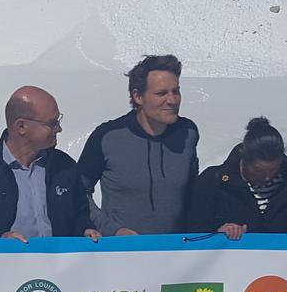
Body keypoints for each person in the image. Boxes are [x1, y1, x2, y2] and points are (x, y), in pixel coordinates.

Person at [76, 54, 200, 235]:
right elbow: (78, 193)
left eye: (176, 91)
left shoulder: (188, 133)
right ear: (138, 96)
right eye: (161, 93)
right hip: (123, 252)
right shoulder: (108, 136)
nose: (172, 100)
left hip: (176, 253)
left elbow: (194, 193)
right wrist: (113, 230)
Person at [0, 85, 100, 241]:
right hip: (6, 265)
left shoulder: (65, 167)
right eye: (51, 123)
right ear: (21, 126)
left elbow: (80, 214)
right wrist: (0, 239)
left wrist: (85, 229)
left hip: (62, 265)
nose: (58, 129)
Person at [185, 117, 287, 239]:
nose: (267, 177)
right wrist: (217, 232)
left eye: (273, 170)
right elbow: (194, 229)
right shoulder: (213, 182)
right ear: (244, 160)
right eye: (258, 170)